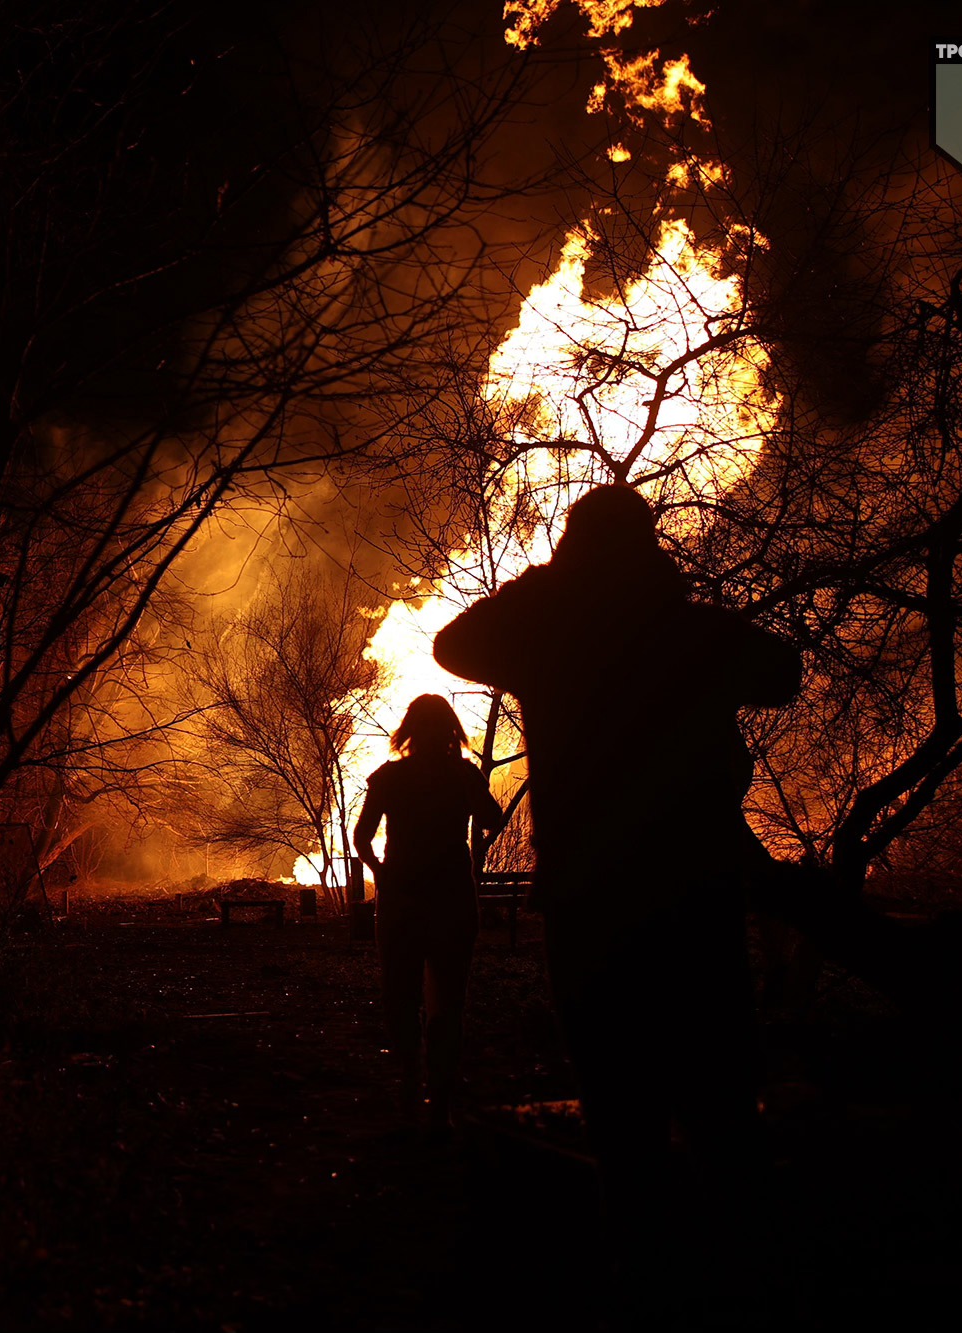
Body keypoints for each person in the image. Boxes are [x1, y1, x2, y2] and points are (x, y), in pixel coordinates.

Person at [432, 484, 801, 1315]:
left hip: (592, 900)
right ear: (650, 551)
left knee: (620, 1111)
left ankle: (646, 1281)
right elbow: (782, 672)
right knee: (719, 1102)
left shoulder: (547, 629)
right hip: (694, 898)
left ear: (573, 551)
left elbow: (455, 643)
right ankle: (746, 1281)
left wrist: (542, 584)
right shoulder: (694, 631)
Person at [352, 693, 506, 1133]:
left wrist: (381, 873)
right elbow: (494, 817)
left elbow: (362, 838)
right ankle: (441, 1101)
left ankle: (408, 1084)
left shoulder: (388, 778)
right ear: (452, 731)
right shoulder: (463, 775)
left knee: (400, 998)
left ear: (410, 730)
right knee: (449, 1003)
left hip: (401, 899)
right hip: (454, 897)